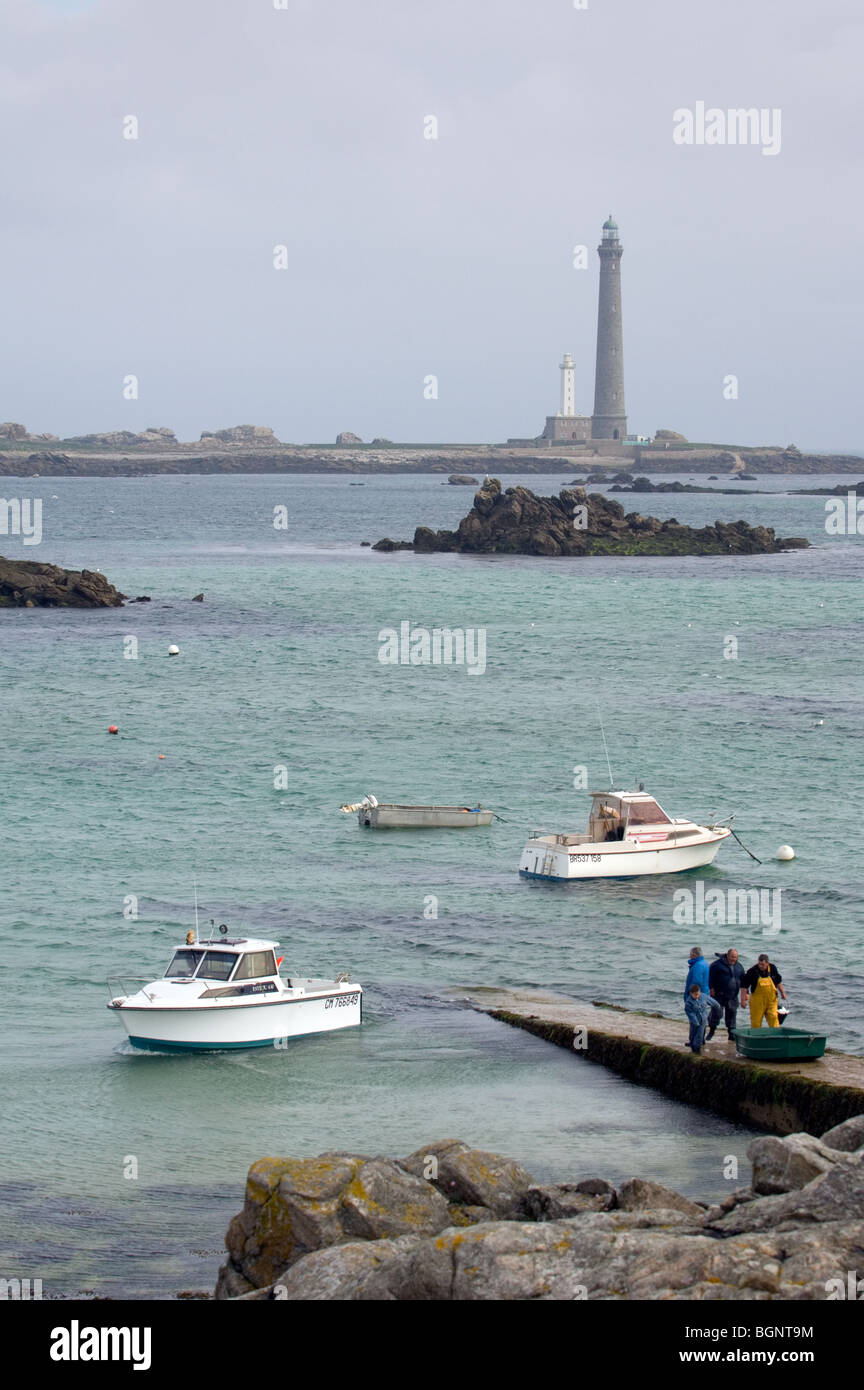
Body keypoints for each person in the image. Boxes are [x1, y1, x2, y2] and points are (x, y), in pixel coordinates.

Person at [684, 947, 722, 1040]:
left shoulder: (698, 965)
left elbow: (696, 981)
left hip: (697, 995)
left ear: (694, 955)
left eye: (691, 954)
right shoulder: (704, 963)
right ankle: (700, 1040)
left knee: (696, 1020)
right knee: (701, 1017)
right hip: (704, 993)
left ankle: (696, 1041)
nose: (690, 955)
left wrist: (691, 995)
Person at [708, 947, 746, 1041]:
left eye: (736, 957)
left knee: (732, 1015)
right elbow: (710, 977)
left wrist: (746, 993)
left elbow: (744, 980)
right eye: (732, 957)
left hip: (732, 996)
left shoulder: (739, 966)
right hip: (719, 995)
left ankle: (731, 1034)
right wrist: (711, 988)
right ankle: (712, 1030)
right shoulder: (717, 965)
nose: (734, 959)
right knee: (717, 1013)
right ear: (727, 956)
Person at [741, 953, 787, 1029]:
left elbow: (778, 982)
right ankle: (756, 1038)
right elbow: (744, 987)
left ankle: (775, 1038)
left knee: (774, 1019)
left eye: (763, 964)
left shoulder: (773, 968)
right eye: (759, 964)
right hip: (757, 1002)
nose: (761, 966)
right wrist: (743, 1000)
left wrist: (783, 993)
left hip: (771, 1001)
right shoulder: (752, 971)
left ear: (767, 963)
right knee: (756, 1022)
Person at [685, 984, 709, 1056]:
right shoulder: (689, 1002)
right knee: (693, 1032)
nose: (697, 996)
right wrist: (695, 1020)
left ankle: (697, 1048)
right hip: (695, 1020)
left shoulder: (703, 996)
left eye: (698, 994)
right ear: (691, 994)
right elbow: (689, 1012)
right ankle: (692, 1044)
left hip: (703, 1019)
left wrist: (717, 1006)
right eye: (695, 995)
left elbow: (710, 1001)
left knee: (700, 1034)